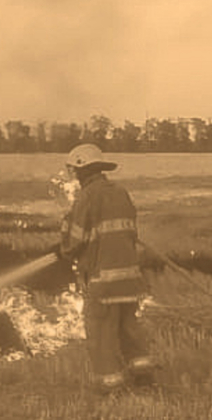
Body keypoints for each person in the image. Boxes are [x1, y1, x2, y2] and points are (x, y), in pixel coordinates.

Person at [56, 143, 155, 393]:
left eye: (75, 172)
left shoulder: (87, 197)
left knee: (101, 335)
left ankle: (110, 387)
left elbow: (75, 242)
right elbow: (129, 232)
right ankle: (143, 376)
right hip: (130, 279)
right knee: (129, 327)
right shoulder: (120, 192)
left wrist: (65, 234)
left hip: (102, 281)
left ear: (81, 170)